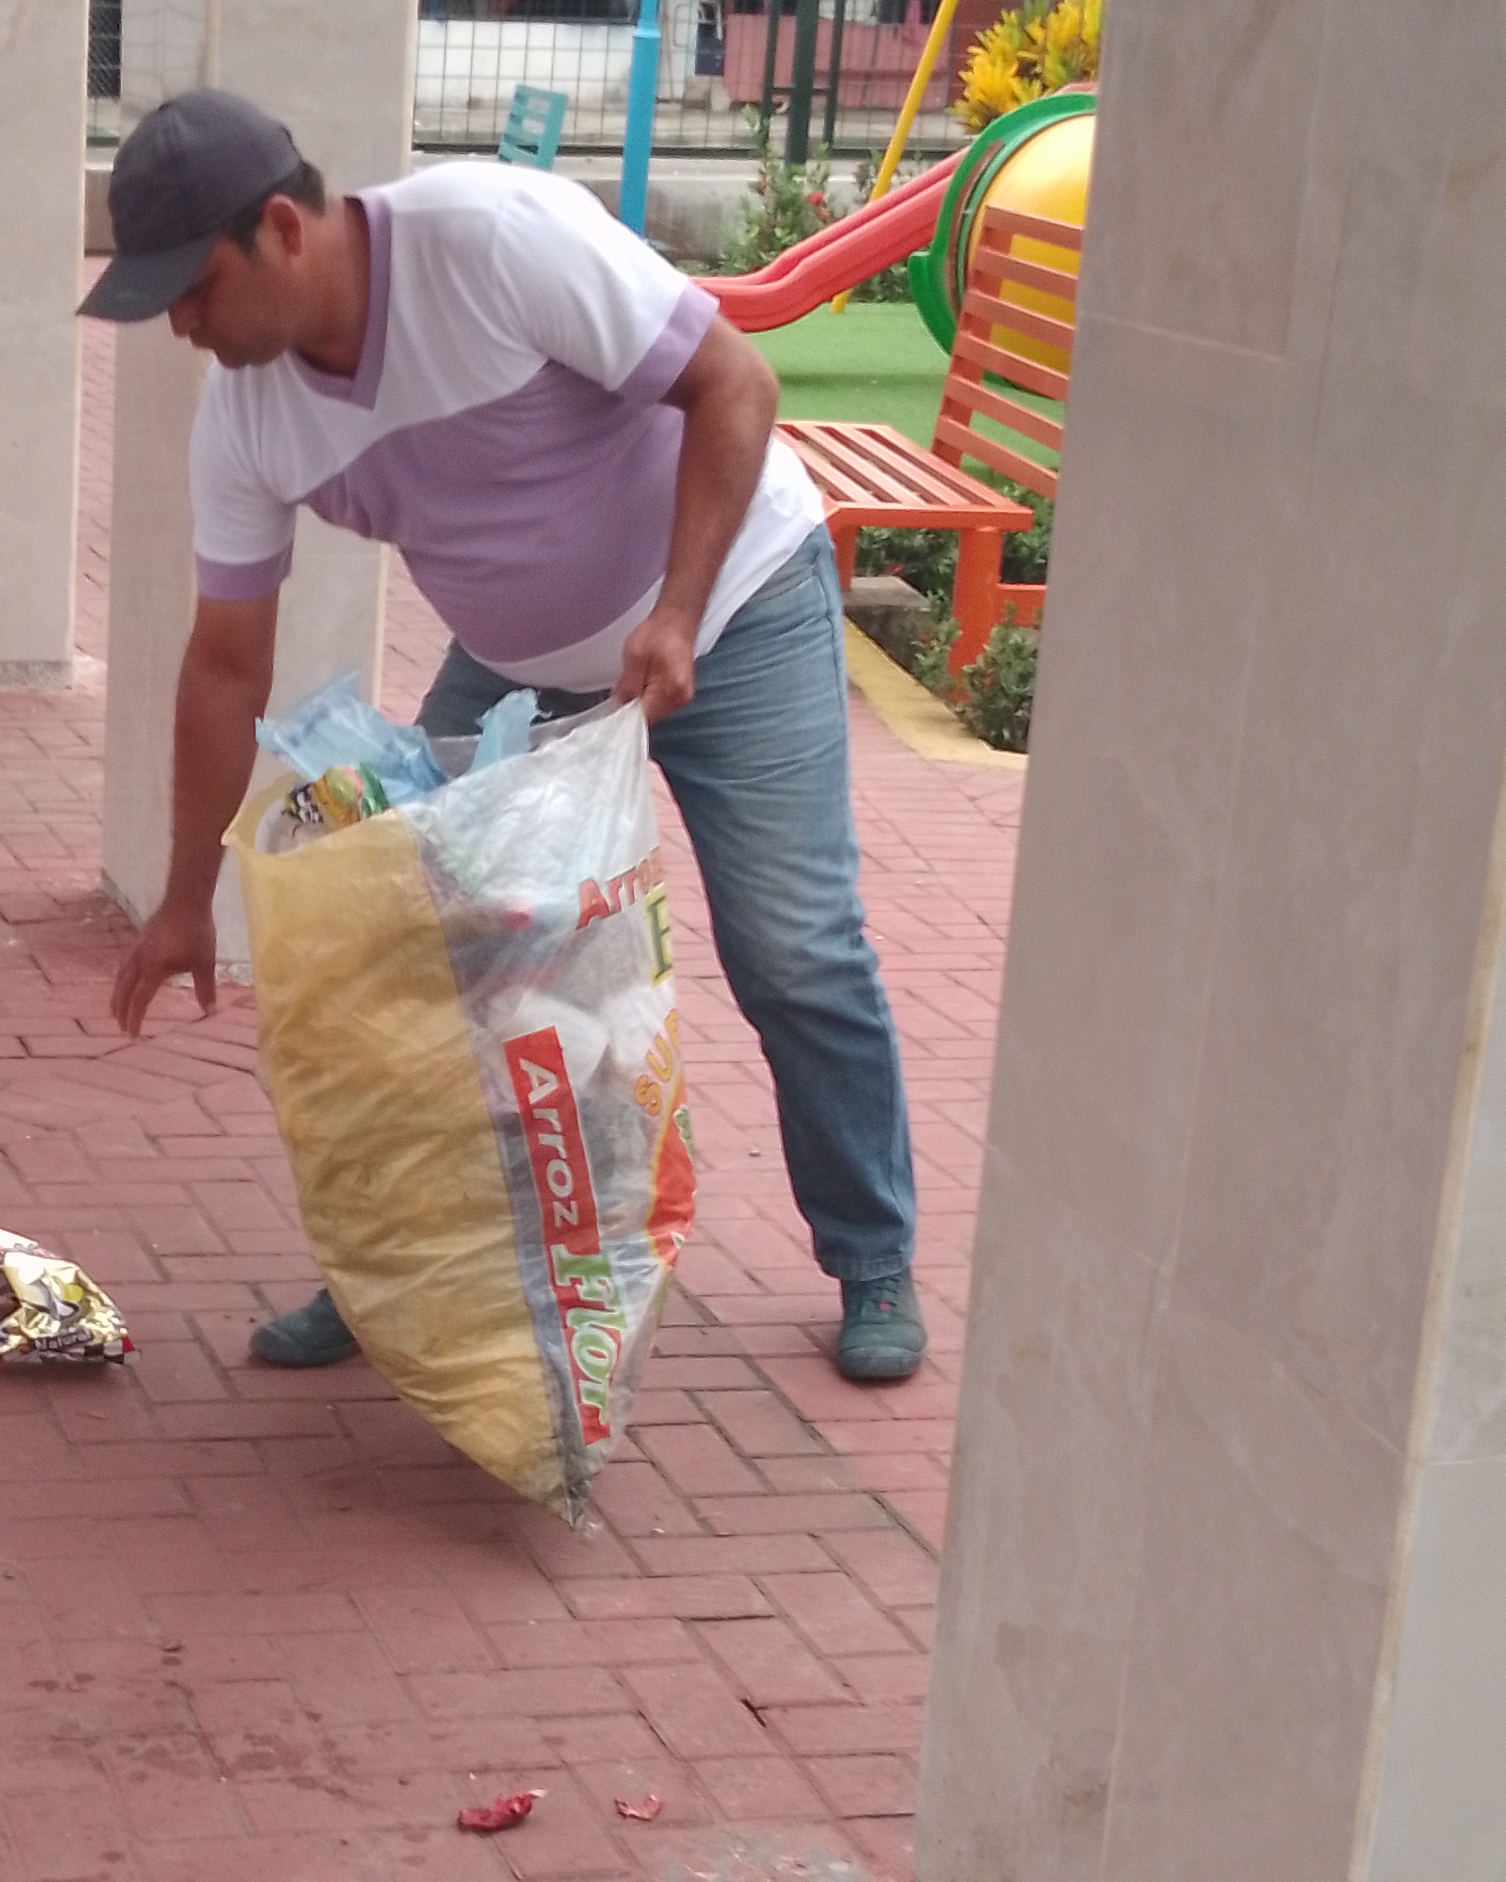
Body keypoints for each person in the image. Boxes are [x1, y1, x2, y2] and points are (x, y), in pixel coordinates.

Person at [91, 86, 926, 1387]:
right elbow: (224, 663)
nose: (183, 328)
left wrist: (678, 613)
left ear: (281, 232)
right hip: (521, 673)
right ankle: (399, 1268)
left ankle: (872, 1255)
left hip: (731, 603)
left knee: (793, 947)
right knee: (421, 955)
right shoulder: (246, 419)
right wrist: (186, 897)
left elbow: (736, 382)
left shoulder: (490, 238)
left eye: (192, 290)